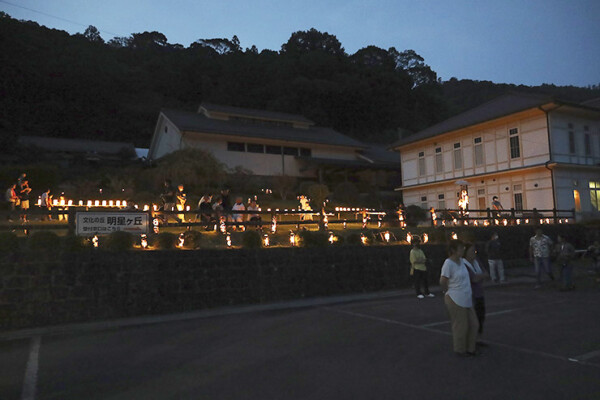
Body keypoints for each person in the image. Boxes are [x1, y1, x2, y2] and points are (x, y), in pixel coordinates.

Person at [440, 240, 479, 357]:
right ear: (453, 250)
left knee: (474, 324)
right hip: (455, 298)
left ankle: (470, 348)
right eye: (460, 248)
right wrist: (446, 291)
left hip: (466, 297)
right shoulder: (448, 263)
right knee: (460, 326)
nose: (462, 250)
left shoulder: (462, 261)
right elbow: (443, 280)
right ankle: (460, 349)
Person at [463, 243, 488, 346]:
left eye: (475, 251)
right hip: (470, 295)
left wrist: (479, 276)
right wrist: (479, 276)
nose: (474, 253)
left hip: (479, 293)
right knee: (472, 319)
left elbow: (486, 274)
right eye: (472, 251)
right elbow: (473, 278)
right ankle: (469, 341)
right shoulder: (464, 264)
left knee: (481, 316)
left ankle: (478, 338)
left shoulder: (476, 262)